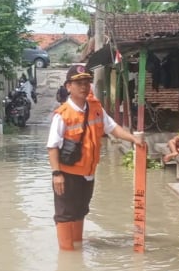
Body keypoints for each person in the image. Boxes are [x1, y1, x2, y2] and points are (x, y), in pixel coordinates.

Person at [47, 64, 145, 251]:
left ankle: (77, 248)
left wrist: (132, 138)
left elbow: (112, 127)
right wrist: (56, 174)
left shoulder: (96, 108)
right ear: (68, 87)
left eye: (86, 82)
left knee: (80, 211)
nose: (84, 86)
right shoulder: (63, 114)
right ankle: (67, 257)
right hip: (67, 174)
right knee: (65, 214)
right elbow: (52, 147)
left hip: (88, 173)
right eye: (78, 83)